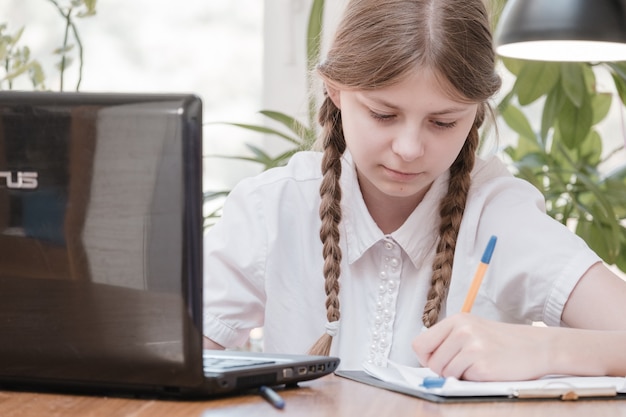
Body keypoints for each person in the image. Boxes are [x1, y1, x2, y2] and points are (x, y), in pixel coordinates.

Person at [203, 0, 626, 381]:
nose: (408, 150)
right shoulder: (273, 207)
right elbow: (163, 356)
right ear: (335, 90)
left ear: (476, 111)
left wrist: (542, 348)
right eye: (383, 114)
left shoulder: (498, 216)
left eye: (443, 123)